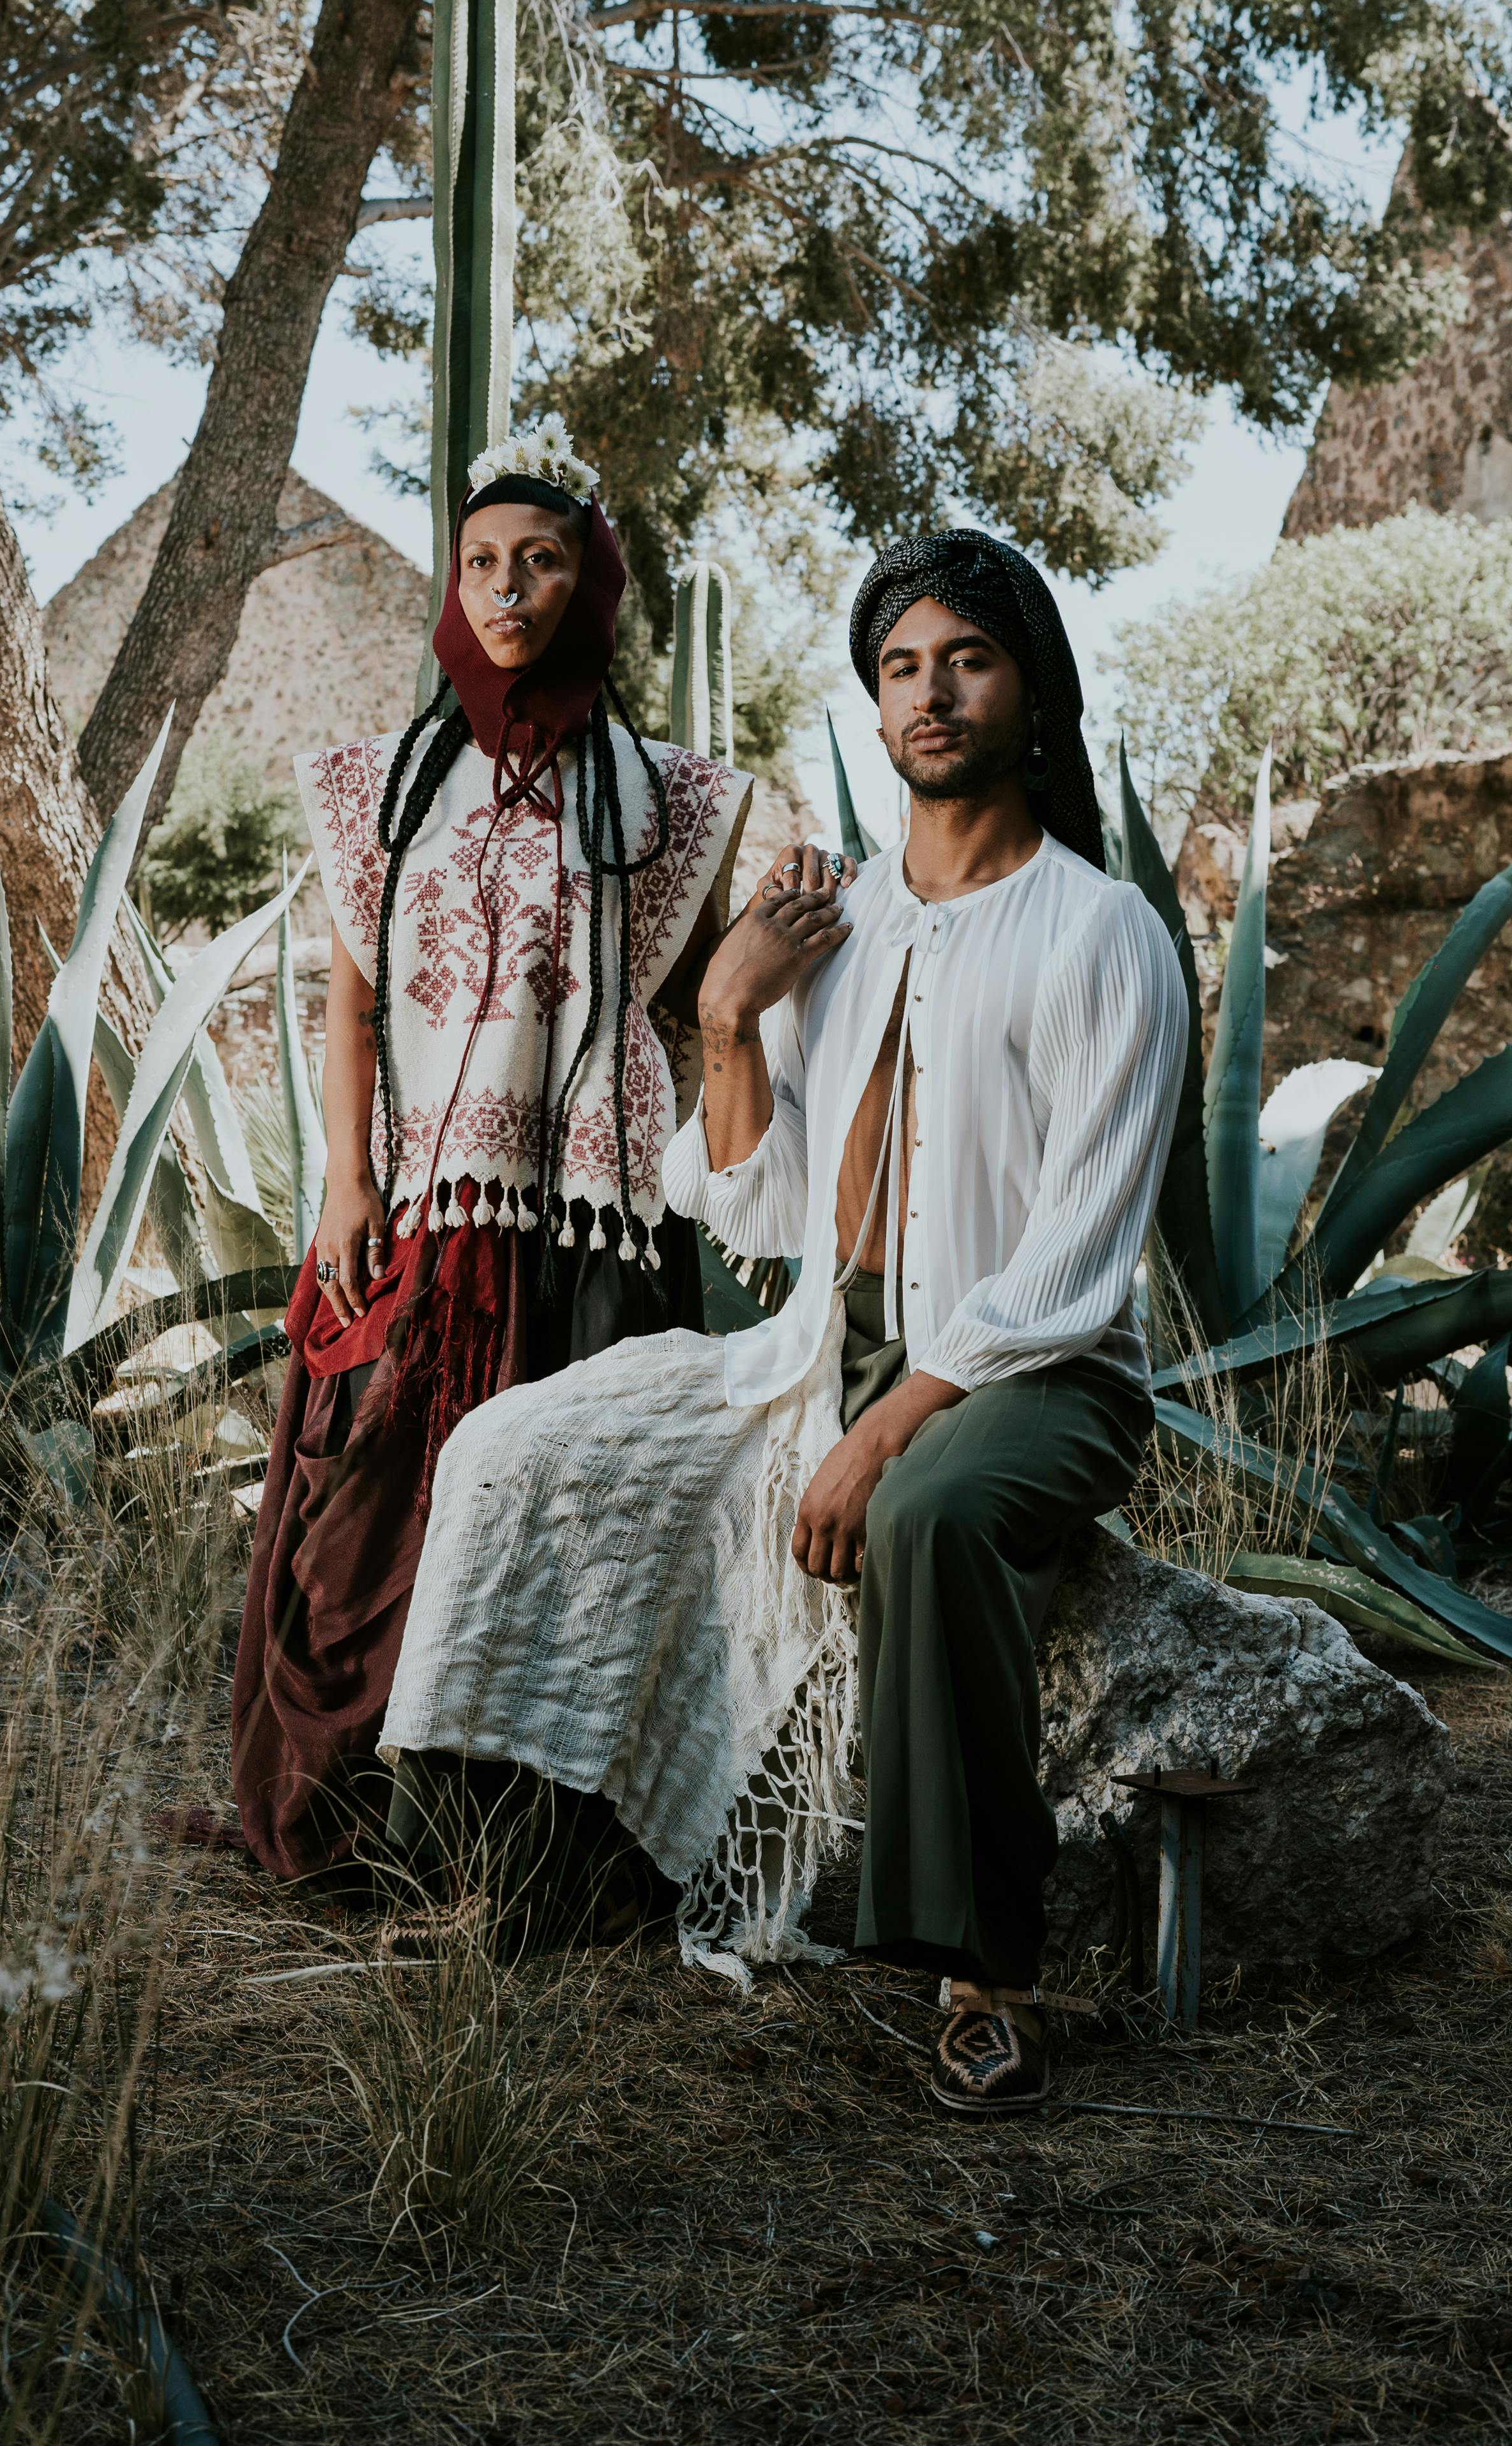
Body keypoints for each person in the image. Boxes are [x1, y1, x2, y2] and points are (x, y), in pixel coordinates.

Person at [382, 528, 1187, 2111]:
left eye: (964, 658)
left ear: (1030, 688)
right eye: (897, 667)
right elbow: (755, 1217)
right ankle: (494, 1871)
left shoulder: (1102, 934)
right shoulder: (839, 927)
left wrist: (886, 1432)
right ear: (873, 704)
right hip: (821, 1339)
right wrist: (723, 1013)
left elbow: (1074, 1265)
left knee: (931, 1517)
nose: (928, 693)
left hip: (1037, 1374)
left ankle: (984, 1975)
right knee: (513, 1446)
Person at [193, 421, 751, 1882]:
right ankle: (384, 1829)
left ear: (592, 586)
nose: (510, 587)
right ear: (453, 585)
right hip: (420, 1206)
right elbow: (353, 996)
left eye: (543, 561)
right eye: (483, 563)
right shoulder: (380, 788)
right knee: (371, 1513)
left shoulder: (669, 801)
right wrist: (341, 1177)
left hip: (590, 1222)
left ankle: (539, 1849)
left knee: (572, 1521)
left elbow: (698, 1004)